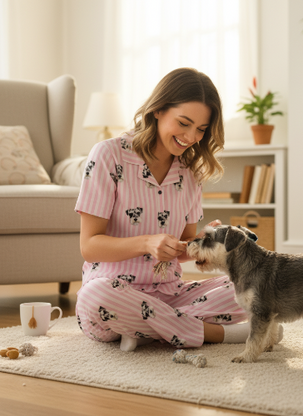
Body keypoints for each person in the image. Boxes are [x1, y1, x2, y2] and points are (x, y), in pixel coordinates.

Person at [75, 67, 250, 351]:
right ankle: (217, 334)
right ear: (158, 110)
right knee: (95, 298)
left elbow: (180, 251)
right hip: (113, 293)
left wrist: (206, 243)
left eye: (201, 129)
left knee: (249, 286)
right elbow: (90, 247)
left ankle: (144, 329)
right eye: (184, 123)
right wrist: (146, 243)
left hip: (170, 294)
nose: (191, 136)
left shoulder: (190, 172)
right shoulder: (109, 155)